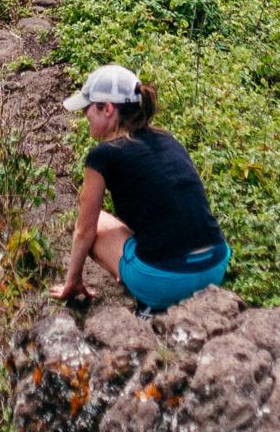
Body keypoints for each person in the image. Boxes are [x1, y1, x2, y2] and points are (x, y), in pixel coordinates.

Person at [49, 63, 230, 310]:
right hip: (215, 268)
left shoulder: (103, 155)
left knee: (97, 221)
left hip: (166, 282)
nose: (84, 117)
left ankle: (148, 302)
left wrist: (73, 280)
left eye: (87, 109)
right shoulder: (168, 140)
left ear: (108, 109)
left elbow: (84, 230)